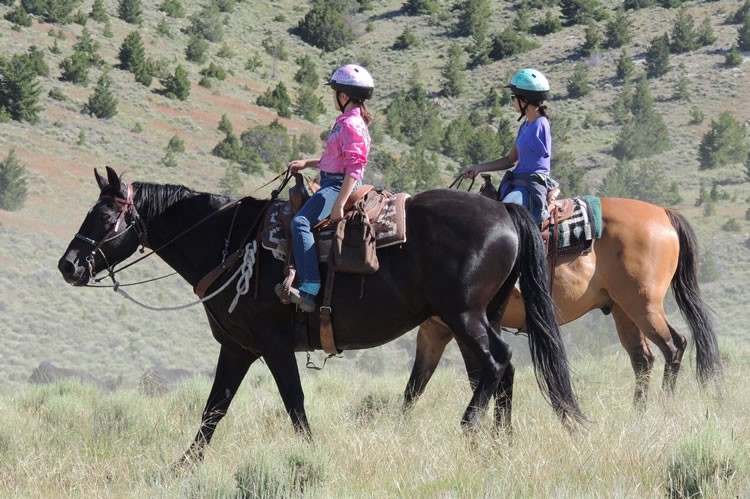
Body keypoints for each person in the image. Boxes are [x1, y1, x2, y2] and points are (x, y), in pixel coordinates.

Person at [276, 64, 374, 312]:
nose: (333, 98)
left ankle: (309, 288)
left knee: (300, 222)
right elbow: (334, 159)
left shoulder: (351, 124)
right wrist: (307, 163)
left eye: (335, 93)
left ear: (344, 96)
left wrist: (340, 203)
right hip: (333, 180)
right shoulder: (347, 121)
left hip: (339, 185)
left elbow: (354, 167)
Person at [462, 68, 557, 225]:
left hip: (531, 185)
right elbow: (510, 160)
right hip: (518, 182)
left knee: (504, 218)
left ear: (524, 100)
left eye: (514, 97)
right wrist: (479, 168)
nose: (512, 100)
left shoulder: (541, 124)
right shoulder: (526, 126)